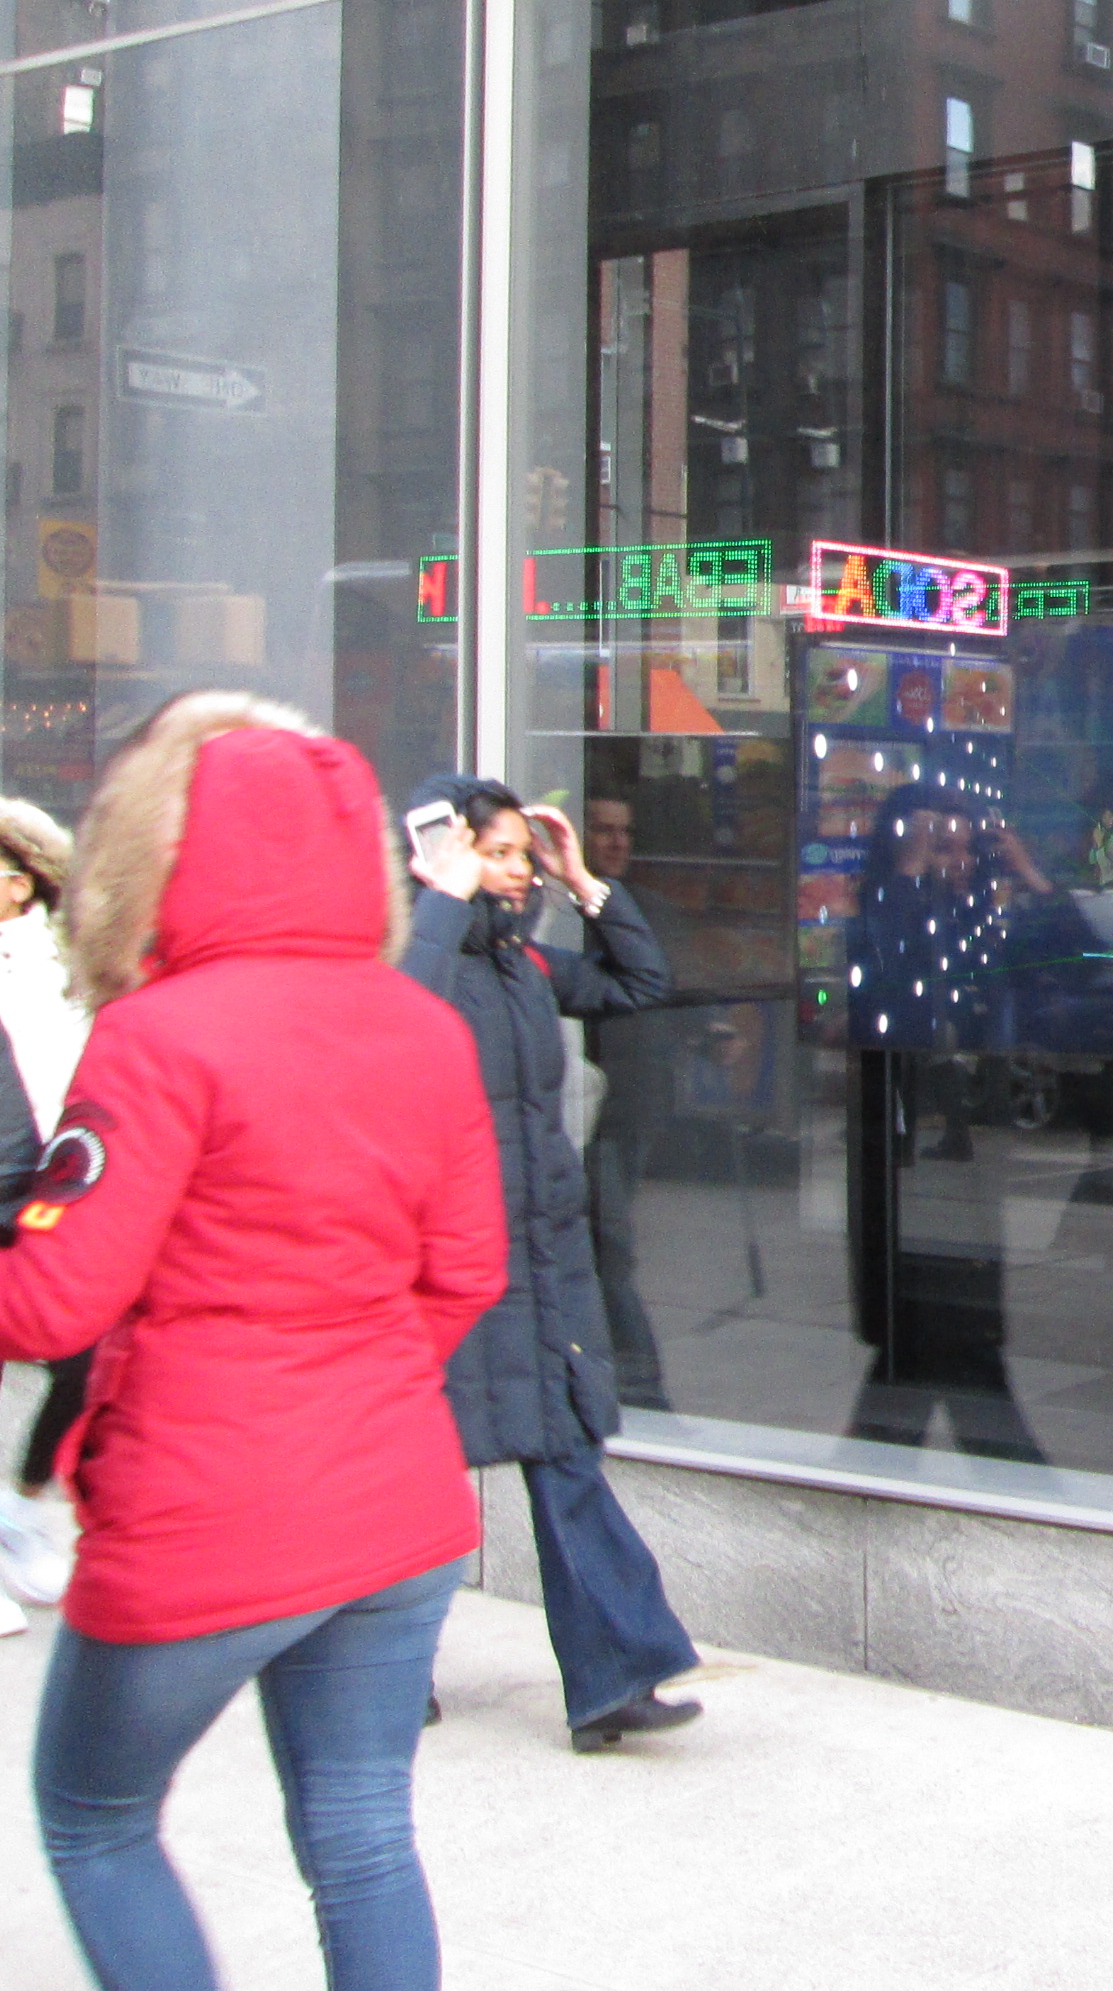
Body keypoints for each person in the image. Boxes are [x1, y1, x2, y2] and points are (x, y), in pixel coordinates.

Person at [0, 691, 507, 1991]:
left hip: (203, 1510)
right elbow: (467, 1272)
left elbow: (50, 1303)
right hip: (396, 1504)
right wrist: (351, 1384)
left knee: (95, 1819)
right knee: (363, 1840)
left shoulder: (159, 1034)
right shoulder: (421, 1025)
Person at [399, 773, 705, 1749]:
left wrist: (585, 883)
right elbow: (398, 1023)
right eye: (496, 854)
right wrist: (441, 903)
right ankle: (384, 1674)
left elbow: (640, 984)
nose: (515, 872)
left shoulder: (525, 964)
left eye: (521, 856)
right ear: (444, 856)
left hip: (541, 1260)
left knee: (568, 1460)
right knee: (419, 1477)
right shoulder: (412, 959)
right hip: (446, 1269)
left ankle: (614, 1679)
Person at [843, 782, 1054, 1462]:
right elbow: (886, 980)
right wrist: (909, 868)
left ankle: (870, 1471)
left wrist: (1024, 873)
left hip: (970, 1168)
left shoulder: (980, 925)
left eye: (965, 848)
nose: (955, 861)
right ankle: (1011, 1477)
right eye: (940, 847)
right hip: (909, 1162)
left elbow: (1067, 951)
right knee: (945, 1339)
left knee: (935, 1344)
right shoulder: (887, 912)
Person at [0, 795, 92, 1627]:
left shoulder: (69, 968)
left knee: (81, 1360)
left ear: (24, 882)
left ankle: (25, 1502)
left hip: (56, 1195)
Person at [574, 791, 672, 1409]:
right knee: (603, 1247)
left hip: (626, 1108)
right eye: (603, 830)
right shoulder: (562, 917)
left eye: (625, 831)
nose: (617, 843)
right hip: (580, 1107)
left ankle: (640, 1383)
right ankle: (632, 1379)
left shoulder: (639, 910)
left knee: (608, 1245)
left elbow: (660, 988)